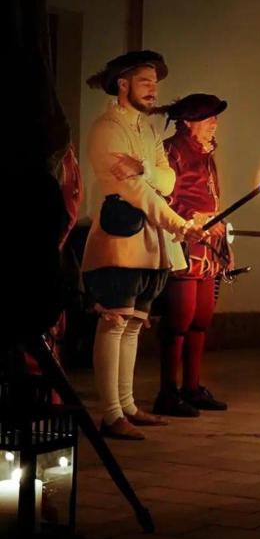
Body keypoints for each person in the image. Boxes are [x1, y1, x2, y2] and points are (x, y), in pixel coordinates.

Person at [82, 51, 206, 440]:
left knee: (134, 325)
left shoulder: (148, 132)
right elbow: (134, 191)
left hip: (149, 242)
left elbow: (166, 181)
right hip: (120, 240)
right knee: (115, 322)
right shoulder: (108, 129)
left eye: (155, 82)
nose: (154, 89)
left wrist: (149, 169)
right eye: (145, 81)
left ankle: (129, 405)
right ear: (123, 84)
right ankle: (110, 412)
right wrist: (179, 224)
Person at [153, 93, 231, 417]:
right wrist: (193, 219)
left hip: (208, 246)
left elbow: (211, 198)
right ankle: (168, 392)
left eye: (215, 118)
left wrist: (221, 232)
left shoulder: (207, 154)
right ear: (188, 122)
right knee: (179, 319)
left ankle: (192, 387)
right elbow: (162, 196)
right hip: (183, 240)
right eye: (208, 118)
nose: (215, 124)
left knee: (201, 318)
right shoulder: (172, 151)